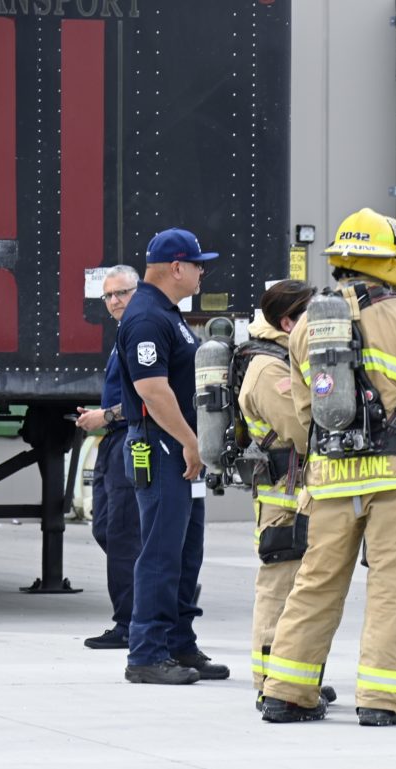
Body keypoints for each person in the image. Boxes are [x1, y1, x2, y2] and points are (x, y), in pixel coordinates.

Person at [260, 208, 396, 726]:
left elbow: (304, 413)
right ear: (387, 261)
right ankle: (382, 698)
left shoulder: (308, 324)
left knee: (314, 584)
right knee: (393, 588)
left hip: (328, 481)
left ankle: (286, 692)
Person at [116, 227, 229, 685]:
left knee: (186, 552)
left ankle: (179, 643)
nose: (203, 273)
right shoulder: (147, 317)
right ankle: (146, 653)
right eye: (199, 265)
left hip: (179, 449)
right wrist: (190, 441)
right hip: (163, 446)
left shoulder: (167, 313)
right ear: (177, 267)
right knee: (162, 553)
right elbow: (152, 389)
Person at [238, 280, 337, 708]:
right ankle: (268, 679)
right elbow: (301, 430)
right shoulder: (268, 369)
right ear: (287, 323)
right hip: (282, 498)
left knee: (299, 590)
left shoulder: (282, 357)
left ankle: (294, 676)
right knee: (278, 589)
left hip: (297, 494)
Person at [78, 265, 142, 649]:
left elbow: (149, 396)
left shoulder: (141, 332)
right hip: (113, 440)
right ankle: (150, 601)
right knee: (105, 528)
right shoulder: (124, 333)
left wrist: (106, 416)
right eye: (108, 295)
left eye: (122, 293)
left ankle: (130, 624)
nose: (114, 301)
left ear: (139, 291)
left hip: (130, 439)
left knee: (122, 533)